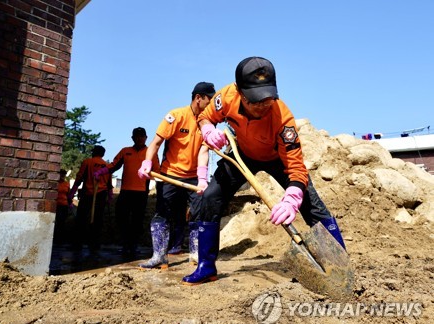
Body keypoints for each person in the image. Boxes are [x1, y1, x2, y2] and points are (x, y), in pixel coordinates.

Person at [182, 56, 347, 285]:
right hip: (243, 154)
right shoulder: (226, 97)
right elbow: (205, 117)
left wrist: (292, 197)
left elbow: (296, 166)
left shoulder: (283, 119)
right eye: (255, 100)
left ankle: (340, 265)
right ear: (239, 91)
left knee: (313, 206)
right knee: (210, 197)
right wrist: (208, 129)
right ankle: (206, 266)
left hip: (276, 157)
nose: (262, 105)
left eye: (267, 99)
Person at [137, 82, 216, 269]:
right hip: (170, 175)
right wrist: (147, 163)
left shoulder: (208, 122)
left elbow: (205, 150)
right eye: (209, 100)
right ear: (199, 98)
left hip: (194, 178)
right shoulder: (177, 116)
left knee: (198, 214)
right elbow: (155, 143)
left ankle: (196, 256)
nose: (211, 104)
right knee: (162, 214)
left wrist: (203, 178)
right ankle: (159, 257)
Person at [94, 127, 160, 260]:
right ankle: (125, 242)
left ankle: (133, 245)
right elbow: (113, 165)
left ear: (146, 138)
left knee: (137, 220)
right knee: (121, 216)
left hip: (141, 193)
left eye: (142, 136)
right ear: (133, 138)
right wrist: (101, 172)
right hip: (125, 191)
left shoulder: (151, 152)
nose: (139, 138)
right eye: (137, 136)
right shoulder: (125, 151)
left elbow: (157, 171)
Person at [67, 145, 112, 254]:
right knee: (98, 220)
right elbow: (109, 184)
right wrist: (110, 197)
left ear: (93, 152)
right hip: (101, 195)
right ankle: (94, 245)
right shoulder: (107, 166)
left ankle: (77, 244)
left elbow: (79, 178)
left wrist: (71, 193)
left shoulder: (87, 162)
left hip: (88, 194)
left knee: (81, 220)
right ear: (103, 154)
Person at [53, 169, 71, 244]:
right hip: (56, 205)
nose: (62, 176)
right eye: (61, 174)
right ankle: (55, 239)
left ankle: (60, 240)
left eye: (64, 174)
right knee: (56, 222)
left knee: (62, 222)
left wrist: (70, 203)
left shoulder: (67, 184)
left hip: (64, 205)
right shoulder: (55, 183)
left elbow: (68, 194)